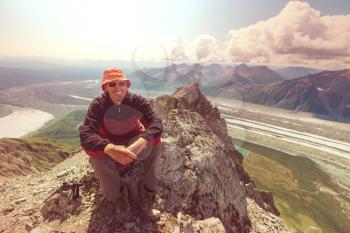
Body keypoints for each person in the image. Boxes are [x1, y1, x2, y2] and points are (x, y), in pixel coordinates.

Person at [79, 68, 163, 220]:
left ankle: (147, 197)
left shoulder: (136, 101)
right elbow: (86, 134)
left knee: (156, 145)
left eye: (121, 83)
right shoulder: (98, 106)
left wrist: (142, 140)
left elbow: (156, 122)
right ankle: (118, 199)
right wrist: (111, 148)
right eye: (112, 84)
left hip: (134, 143)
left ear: (127, 85)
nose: (118, 88)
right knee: (97, 160)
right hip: (110, 146)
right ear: (105, 87)